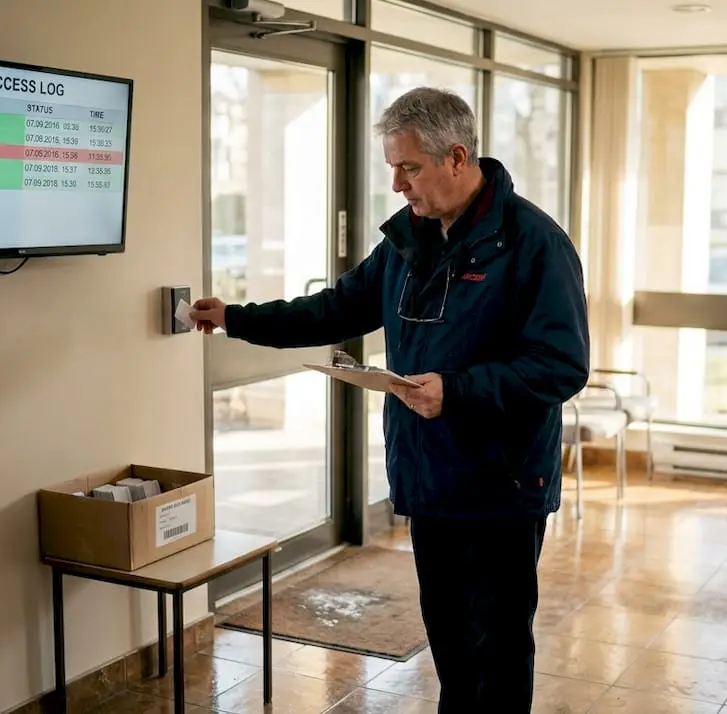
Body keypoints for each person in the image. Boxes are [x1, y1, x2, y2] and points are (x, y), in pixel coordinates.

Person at [190, 87, 589, 712]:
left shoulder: (534, 243)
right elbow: (333, 309)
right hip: (429, 477)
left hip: (502, 487)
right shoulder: (408, 241)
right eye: (393, 168)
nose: (398, 184)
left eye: (409, 168)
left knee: (498, 650)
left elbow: (561, 365)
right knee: (450, 645)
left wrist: (456, 391)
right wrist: (238, 318)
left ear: (456, 158)